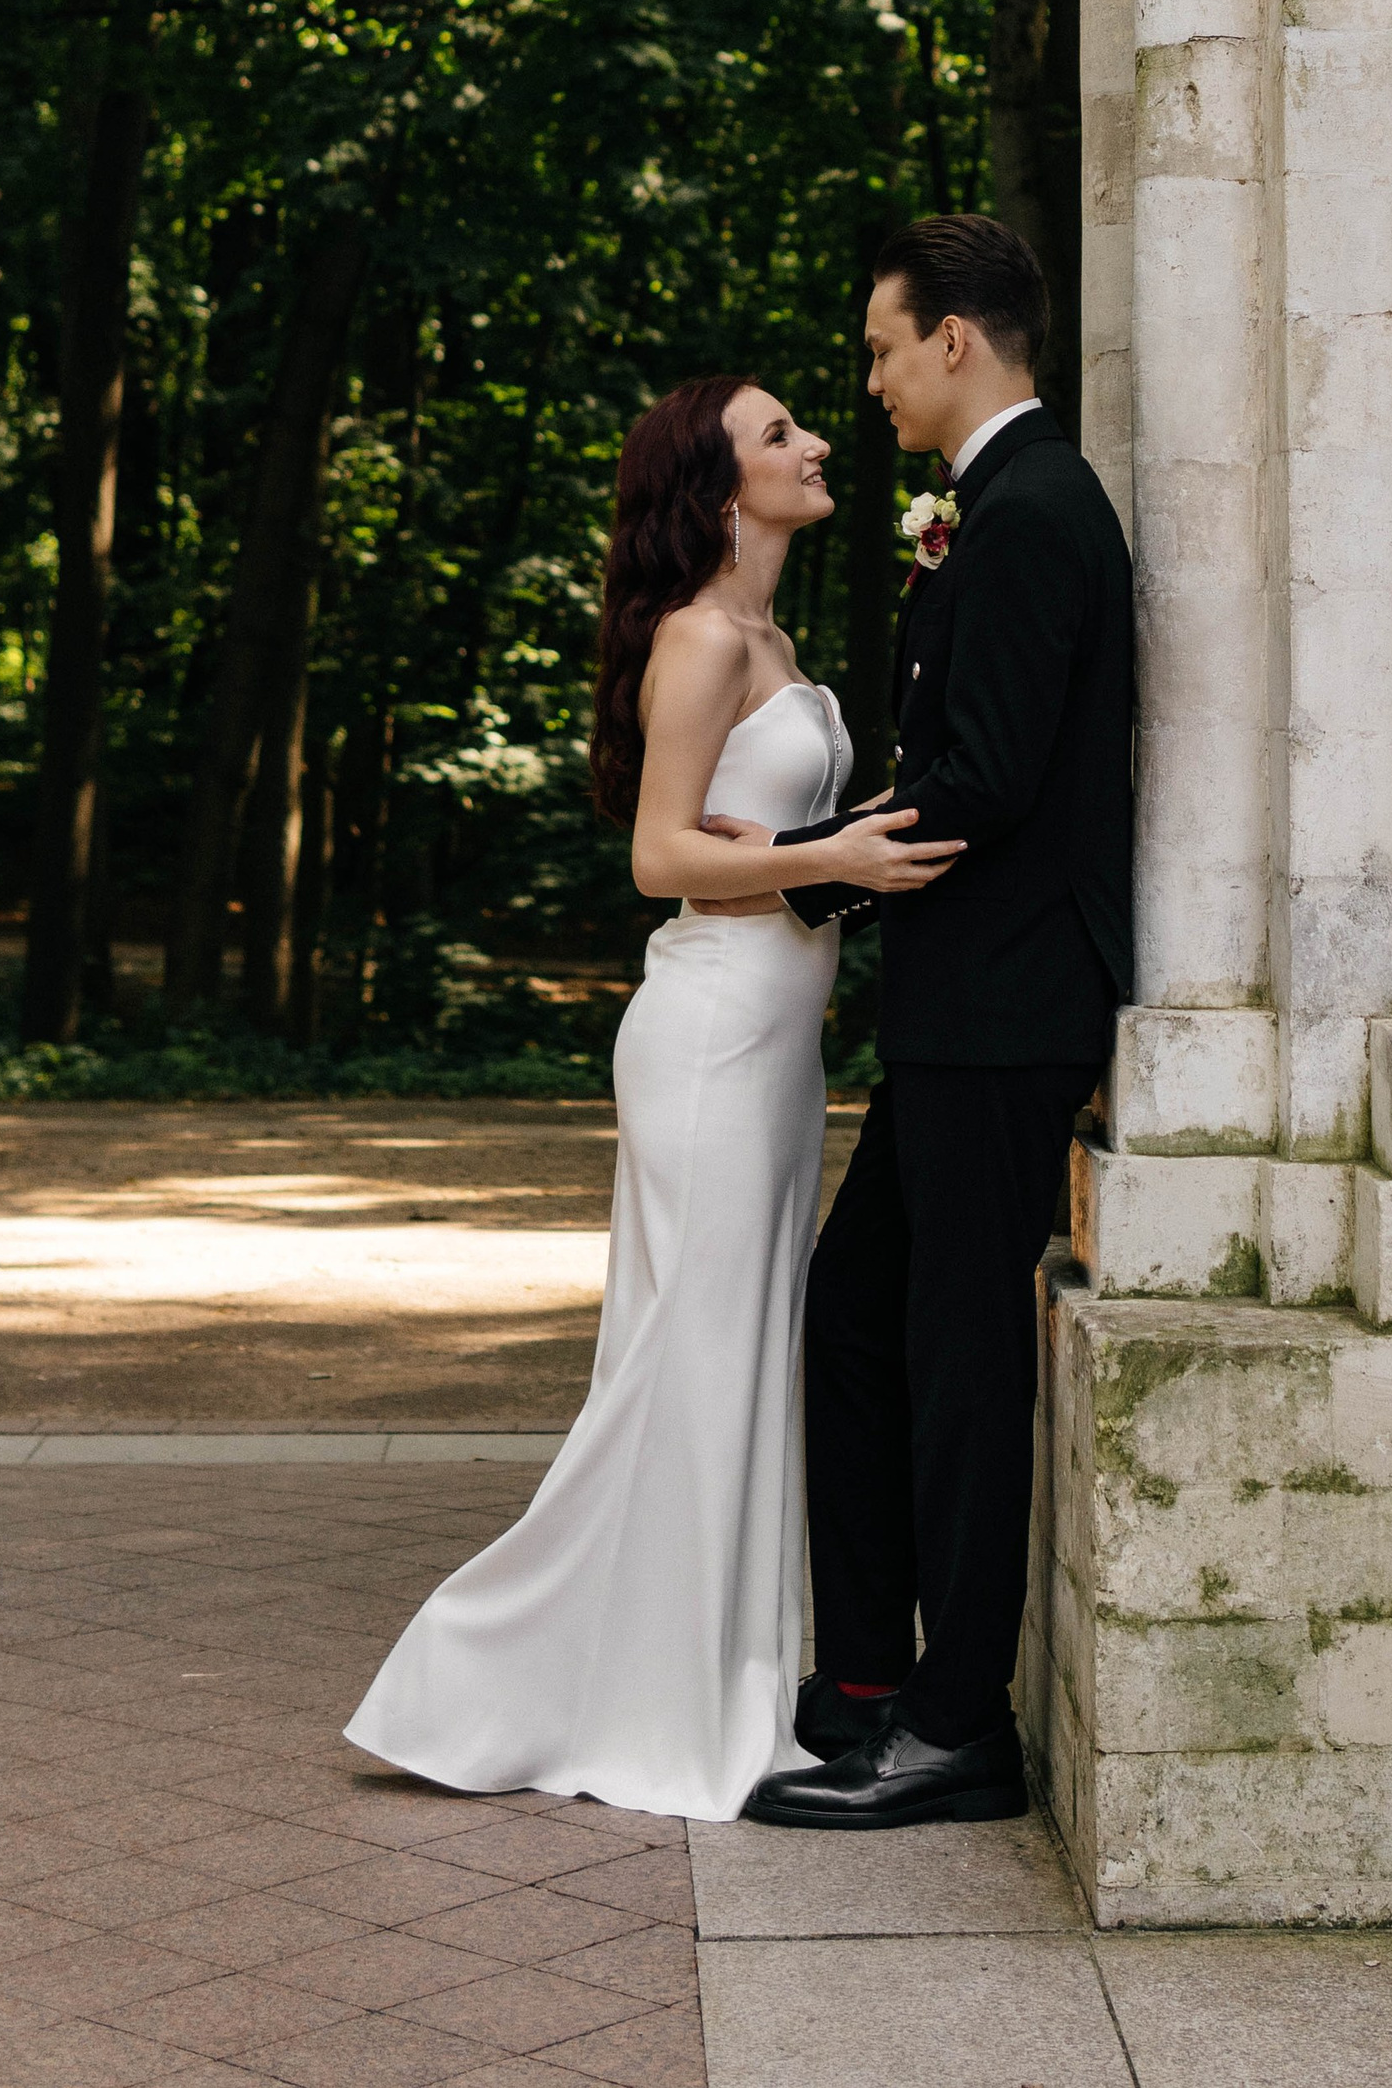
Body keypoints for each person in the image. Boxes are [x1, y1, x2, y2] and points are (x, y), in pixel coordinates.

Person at [344, 376, 960, 1820]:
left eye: (804, 426)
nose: (815, 444)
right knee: (684, 1363)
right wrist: (831, 863)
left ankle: (721, 1687)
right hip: (706, 1036)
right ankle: (485, 1675)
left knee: (740, 1360)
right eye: (777, 435)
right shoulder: (696, 636)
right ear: (717, 484)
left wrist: (833, 844)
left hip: (773, 1036)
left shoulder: (775, 636)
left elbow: (771, 834)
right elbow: (656, 855)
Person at [730, 214, 1136, 1831]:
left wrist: (800, 882)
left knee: (963, 1353)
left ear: (956, 338)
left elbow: (985, 777)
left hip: (1011, 994)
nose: (875, 377)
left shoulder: (1035, 511)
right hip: (963, 1003)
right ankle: (873, 1680)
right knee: (859, 1314)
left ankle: (959, 1722)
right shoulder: (993, 506)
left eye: (887, 346)